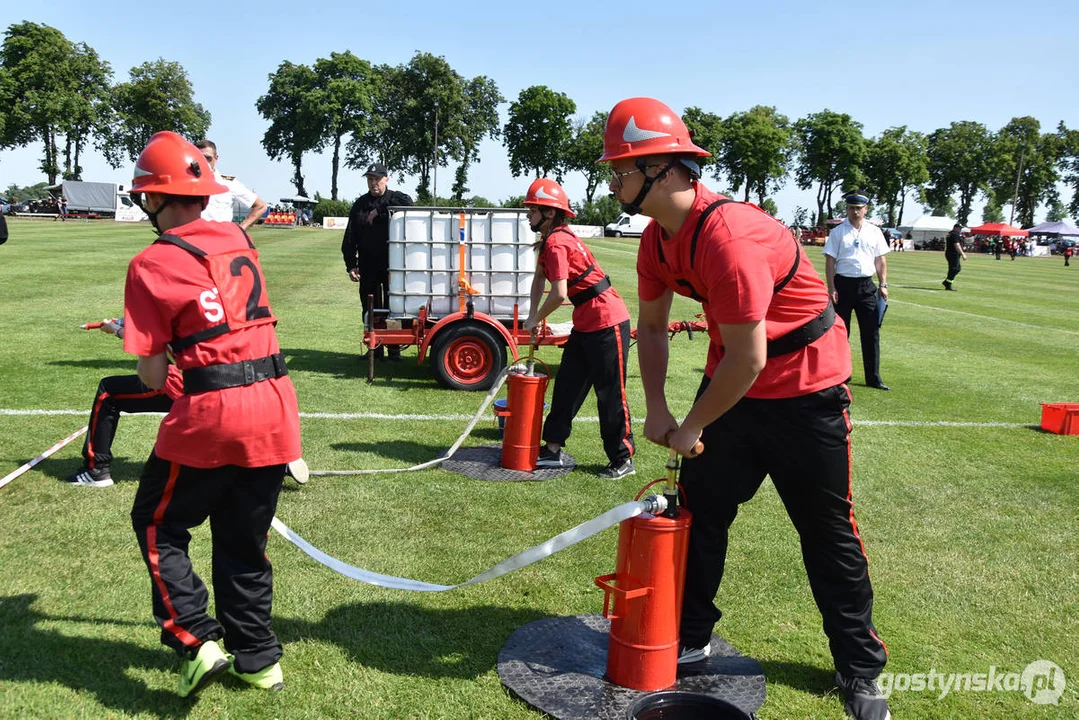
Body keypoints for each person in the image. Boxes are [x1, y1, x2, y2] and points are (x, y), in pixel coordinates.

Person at [599, 97, 889, 720]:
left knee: (826, 531)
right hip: (733, 384)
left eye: (622, 168)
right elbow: (651, 327)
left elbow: (751, 357)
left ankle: (860, 671)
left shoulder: (727, 238)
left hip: (806, 391)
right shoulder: (656, 240)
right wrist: (656, 409)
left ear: (667, 171)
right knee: (700, 516)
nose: (613, 180)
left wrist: (694, 423)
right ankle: (693, 638)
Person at [124, 131, 301, 697]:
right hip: (275, 407)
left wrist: (155, 349)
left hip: (212, 413)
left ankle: (195, 638)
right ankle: (259, 659)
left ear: (154, 199)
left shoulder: (150, 262)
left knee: (158, 523)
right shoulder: (235, 237)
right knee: (242, 541)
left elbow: (153, 378)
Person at [64, 319, 309, 488]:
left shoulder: (173, 287)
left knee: (109, 392)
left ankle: (97, 470)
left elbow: (152, 345)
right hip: (240, 380)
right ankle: (274, 461)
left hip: (188, 384)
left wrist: (116, 330)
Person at [521, 178, 636, 479]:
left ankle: (622, 458)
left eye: (531, 210)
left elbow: (559, 293)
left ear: (548, 213)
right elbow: (538, 280)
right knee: (567, 386)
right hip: (586, 323)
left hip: (607, 321)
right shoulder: (550, 241)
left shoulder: (558, 242)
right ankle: (553, 449)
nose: (528, 215)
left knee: (609, 393)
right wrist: (534, 316)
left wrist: (536, 320)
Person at [341, 163, 413, 361]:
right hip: (367, 265)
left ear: (386, 179)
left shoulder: (395, 199)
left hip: (393, 265)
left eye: (377, 179)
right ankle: (375, 348)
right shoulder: (360, 204)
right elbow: (350, 236)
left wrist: (385, 207)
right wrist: (351, 265)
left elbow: (411, 206)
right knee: (369, 307)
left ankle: (394, 349)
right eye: (370, 179)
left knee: (394, 308)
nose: (373, 183)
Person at [824, 190, 890, 390]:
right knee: (842, 333)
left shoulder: (874, 231)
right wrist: (831, 287)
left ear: (866, 209)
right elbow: (830, 261)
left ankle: (873, 377)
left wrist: (883, 284)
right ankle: (841, 375)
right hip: (843, 285)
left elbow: (880, 259)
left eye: (858, 208)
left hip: (866, 286)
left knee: (871, 333)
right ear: (847, 209)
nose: (855, 212)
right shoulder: (838, 232)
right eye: (851, 208)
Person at [194, 140, 268, 231]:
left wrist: (240, 230)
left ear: (216, 158)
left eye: (208, 158)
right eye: (200, 158)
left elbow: (261, 206)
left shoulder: (229, 183)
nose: (204, 162)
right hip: (192, 240)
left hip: (219, 240)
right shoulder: (186, 183)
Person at [943, 224, 967, 290]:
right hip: (953, 253)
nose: (960, 230)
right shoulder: (954, 234)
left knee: (957, 268)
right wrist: (963, 254)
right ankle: (948, 284)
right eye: (959, 228)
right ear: (956, 228)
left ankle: (947, 282)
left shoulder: (950, 233)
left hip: (950, 253)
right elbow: (957, 245)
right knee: (954, 269)